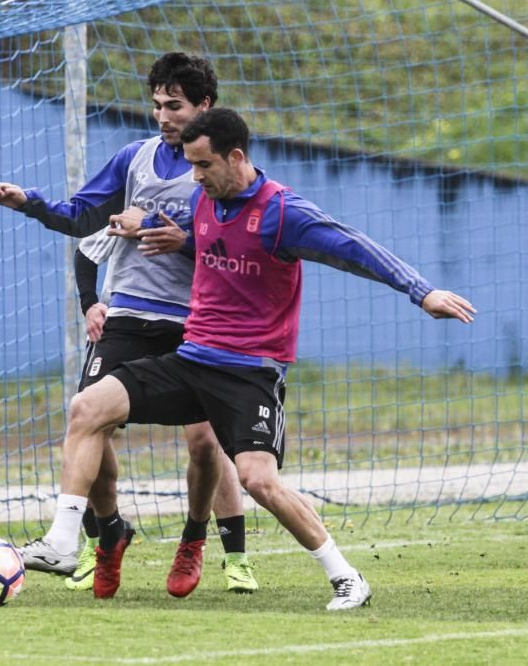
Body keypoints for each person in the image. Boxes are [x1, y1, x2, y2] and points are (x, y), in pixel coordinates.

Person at [49, 106, 477, 605]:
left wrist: (420, 291)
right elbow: (165, 224)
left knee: (258, 479)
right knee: (87, 407)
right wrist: (143, 225)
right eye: (189, 165)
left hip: (250, 373)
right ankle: (63, 539)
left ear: (235, 157)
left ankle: (346, 576)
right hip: (192, 361)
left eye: (203, 165)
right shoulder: (202, 202)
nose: (194, 177)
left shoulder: (282, 213)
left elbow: (354, 247)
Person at [0, 52, 258, 597]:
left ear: (204, 106)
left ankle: (194, 540)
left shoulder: (221, 171)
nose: (163, 115)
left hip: (193, 323)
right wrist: (29, 203)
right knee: (88, 416)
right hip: (129, 316)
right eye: (156, 104)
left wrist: (159, 226)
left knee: (205, 444)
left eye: (175, 105)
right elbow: (81, 216)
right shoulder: (134, 158)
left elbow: (231, 244)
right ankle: (107, 533)